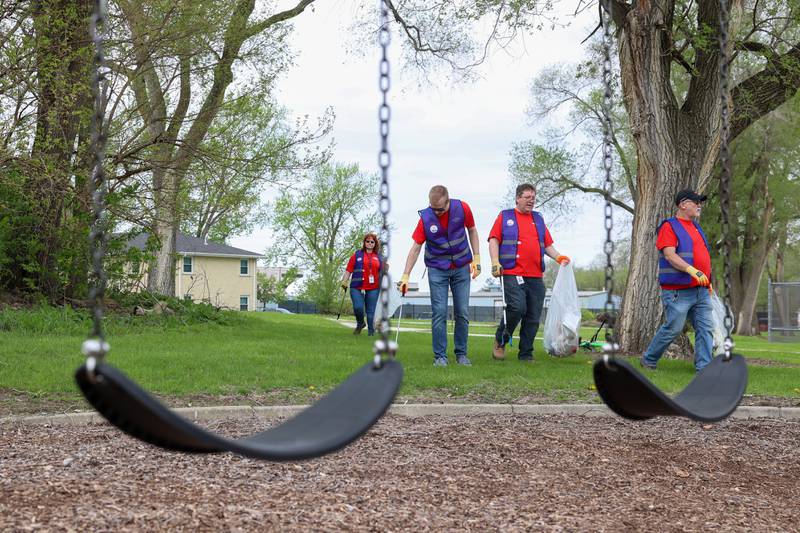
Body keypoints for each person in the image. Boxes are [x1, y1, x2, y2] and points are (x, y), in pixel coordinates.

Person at [398, 185, 482, 367]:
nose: (436, 212)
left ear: (448, 201)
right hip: (437, 269)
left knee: (462, 312)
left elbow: (473, 230)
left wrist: (477, 257)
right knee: (439, 313)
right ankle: (440, 357)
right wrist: (405, 275)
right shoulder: (426, 218)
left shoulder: (463, 208)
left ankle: (461, 354)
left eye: (440, 209)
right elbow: (415, 248)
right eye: (433, 208)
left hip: (461, 267)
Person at [488, 183, 570, 362]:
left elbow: (547, 244)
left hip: (535, 275)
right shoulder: (505, 216)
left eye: (533, 198)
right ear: (518, 198)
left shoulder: (538, 219)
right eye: (527, 197)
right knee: (517, 308)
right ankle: (500, 341)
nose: (531, 201)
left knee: (533, 316)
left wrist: (558, 257)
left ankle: (525, 353)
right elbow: (494, 240)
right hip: (511, 272)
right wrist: (495, 262)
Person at [641, 189, 714, 372]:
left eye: (700, 202)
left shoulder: (696, 227)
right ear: (683, 204)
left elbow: (702, 257)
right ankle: (649, 359)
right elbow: (670, 255)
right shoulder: (669, 226)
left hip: (701, 290)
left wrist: (707, 281)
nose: (699, 205)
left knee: (706, 329)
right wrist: (692, 270)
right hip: (678, 292)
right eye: (696, 202)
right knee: (674, 328)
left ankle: (704, 369)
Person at [341, 233, 384, 336]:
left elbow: (383, 273)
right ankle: (360, 323)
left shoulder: (379, 257)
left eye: (372, 242)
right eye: (367, 241)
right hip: (356, 286)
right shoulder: (356, 255)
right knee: (358, 307)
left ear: (375, 244)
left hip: (373, 288)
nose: (369, 243)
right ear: (364, 243)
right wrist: (344, 282)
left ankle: (371, 333)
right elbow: (348, 270)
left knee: (370, 312)